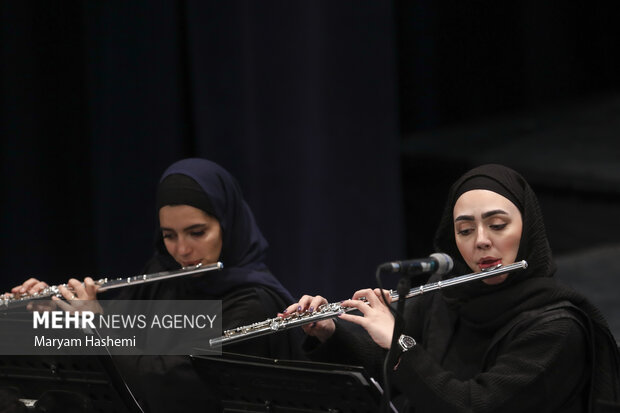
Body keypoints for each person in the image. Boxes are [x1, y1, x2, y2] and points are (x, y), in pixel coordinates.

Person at [285, 164, 620, 412]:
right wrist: (331, 331)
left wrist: (398, 339)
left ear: (528, 229)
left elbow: (474, 405)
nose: (482, 241)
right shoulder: (443, 295)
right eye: (465, 231)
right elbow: (389, 368)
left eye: (498, 225)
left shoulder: (558, 329)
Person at [5, 158, 304, 412]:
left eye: (197, 233)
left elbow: (173, 386)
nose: (182, 251)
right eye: (169, 235)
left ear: (228, 225)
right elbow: (106, 356)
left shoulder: (253, 301)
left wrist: (97, 324)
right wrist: (50, 316)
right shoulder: (161, 273)